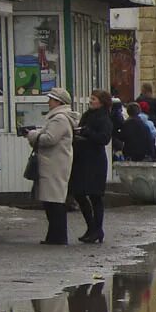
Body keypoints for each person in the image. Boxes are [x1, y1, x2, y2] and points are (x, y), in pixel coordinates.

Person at [25, 88, 78, 245]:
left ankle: (58, 236)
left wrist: (33, 135)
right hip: (54, 163)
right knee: (52, 201)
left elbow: (50, 139)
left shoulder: (59, 118)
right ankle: (54, 235)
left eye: (51, 99)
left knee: (54, 202)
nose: (48, 102)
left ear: (58, 102)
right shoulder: (59, 118)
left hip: (54, 164)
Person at [72, 90, 113, 244]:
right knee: (79, 193)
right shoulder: (87, 115)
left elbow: (104, 139)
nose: (90, 101)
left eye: (94, 99)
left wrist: (87, 132)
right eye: (91, 98)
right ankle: (92, 227)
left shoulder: (104, 118)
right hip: (82, 159)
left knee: (95, 196)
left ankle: (97, 230)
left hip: (95, 161)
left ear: (101, 102)